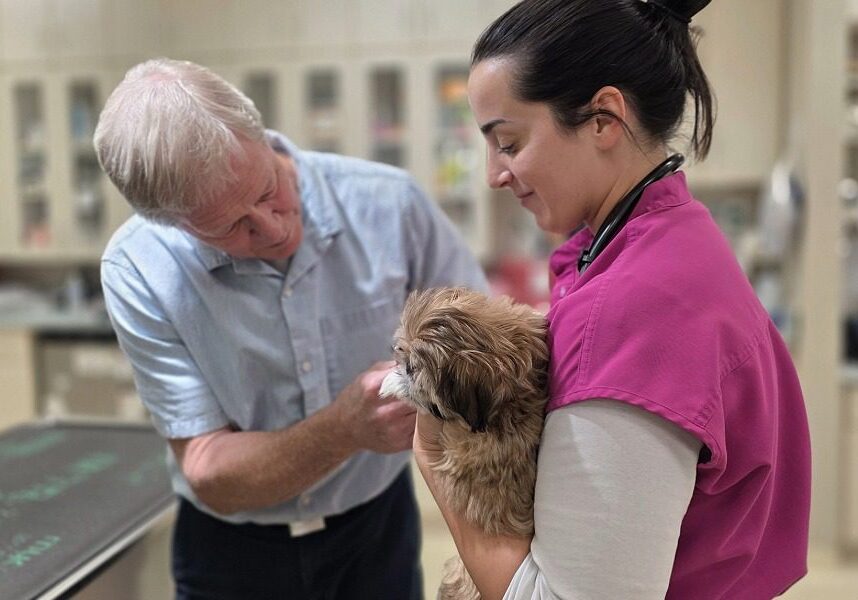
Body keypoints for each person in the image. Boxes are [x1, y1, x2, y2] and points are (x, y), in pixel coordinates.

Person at [413, 1, 812, 598]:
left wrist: (435, 458)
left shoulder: (633, 306)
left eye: (509, 142)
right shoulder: (672, 242)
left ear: (603, 118)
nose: (494, 173)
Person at [94, 58, 488, 599]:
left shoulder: (389, 205)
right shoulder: (141, 266)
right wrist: (345, 428)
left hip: (374, 531)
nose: (275, 228)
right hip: (232, 557)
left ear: (261, 135)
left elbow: (485, 344)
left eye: (267, 189)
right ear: (175, 225)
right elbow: (209, 471)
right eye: (233, 227)